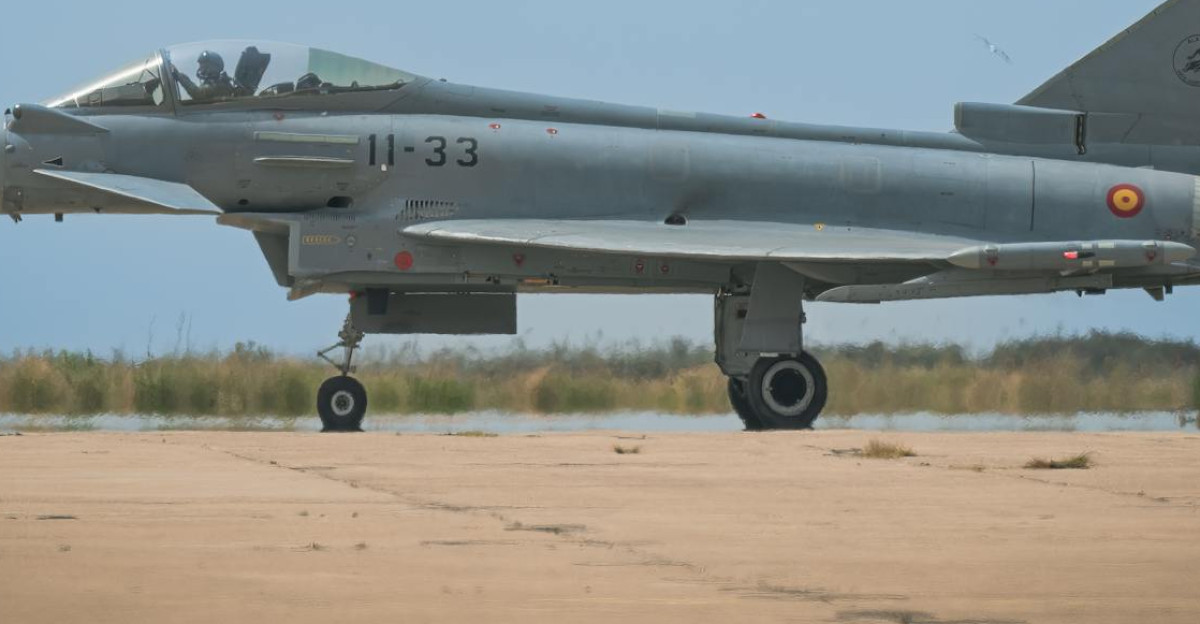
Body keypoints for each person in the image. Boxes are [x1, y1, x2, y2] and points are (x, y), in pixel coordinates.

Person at [174, 51, 240, 102]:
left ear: (214, 66)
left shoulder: (220, 83)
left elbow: (198, 94)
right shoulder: (212, 82)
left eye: (203, 65)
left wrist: (180, 77)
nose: (200, 68)